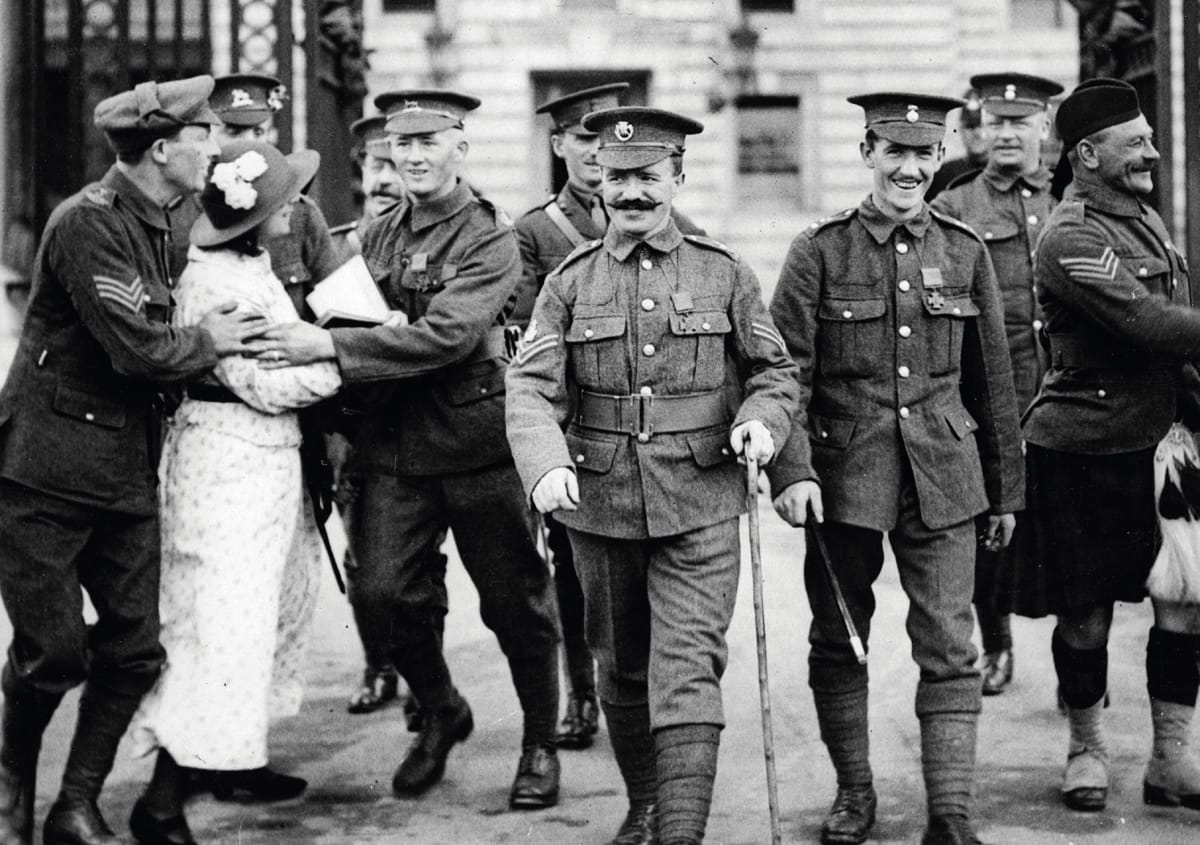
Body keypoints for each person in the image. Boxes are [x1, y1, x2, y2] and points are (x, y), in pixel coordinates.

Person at [246, 90, 563, 810]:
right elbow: (340, 302)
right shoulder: (381, 230)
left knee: (516, 603)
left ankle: (540, 742)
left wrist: (332, 342)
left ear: (461, 149)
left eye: (429, 144)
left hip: (475, 443)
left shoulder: (490, 236)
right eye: (400, 148)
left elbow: (448, 337)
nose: (413, 159)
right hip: (392, 445)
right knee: (381, 594)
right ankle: (441, 706)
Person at [505, 106, 798, 845]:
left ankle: (681, 833)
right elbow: (530, 386)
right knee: (623, 671)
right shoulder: (569, 282)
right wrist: (542, 463)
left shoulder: (723, 270)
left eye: (647, 176)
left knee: (687, 667)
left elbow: (773, 370)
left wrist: (762, 420)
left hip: (700, 496)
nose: (632, 191)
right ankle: (646, 803)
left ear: (677, 177)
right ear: (598, 181)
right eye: (617, 177)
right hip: (598, 504)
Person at [0, 76, 265, 845]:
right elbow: (140, 349)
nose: (215, 147)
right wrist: (213, 339)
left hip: (121, 469)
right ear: (161, 150)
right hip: (45, 471)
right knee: (52, 653)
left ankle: (74, 803)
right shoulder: (88, 223)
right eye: (203, 135)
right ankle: (12, 780)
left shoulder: (168, 216)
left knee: (133, 649)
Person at [768, 92, 1024, 845]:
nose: (908, 167)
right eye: (893, 152)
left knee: (950, 643)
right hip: (845, 479)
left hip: (946, 475)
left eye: (923, 153)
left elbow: (993, 381)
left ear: (940, 156)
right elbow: (786, 371)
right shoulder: (819, 249)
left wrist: (1005, 488)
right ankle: (854, 792)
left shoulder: (965, 249)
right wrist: (792, 472)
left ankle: (951, 813)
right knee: (839, 638)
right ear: (867, 154)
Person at [128, 140, 342, 845]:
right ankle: (160, 802)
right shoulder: (218, 283)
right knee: (215, 630)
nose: (296, 214)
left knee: (266, 615)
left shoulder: (248, 264)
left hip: (261, 463)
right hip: (228, 465)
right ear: (258, 218)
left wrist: (311, 342)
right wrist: (339, 362)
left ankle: (230, 759)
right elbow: (266, 380)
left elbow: (283, 345)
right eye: (287, 205)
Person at [1013, 78, 1200, 815]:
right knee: (1084, 610)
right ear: (1088, 155)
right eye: (1137, 143)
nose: (1152, 152)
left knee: (1184, 603)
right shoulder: (1070, 235)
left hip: (1160, 446)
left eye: (1151, 138)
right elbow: (1149, 325)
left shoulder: (1145, 220)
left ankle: (1172, 758)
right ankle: (1086, 748)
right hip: (1082, 447)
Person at [931, 71, 1064, 697]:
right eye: (997, 121)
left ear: (1045, 128)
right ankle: (998, 644)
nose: (1007, 133)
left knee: (1069, 529)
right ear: (981, 129)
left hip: (1063, 396)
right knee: (992, 528)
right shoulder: (955, 205)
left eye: (1022, 122)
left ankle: (1076, 660)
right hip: (991, 395)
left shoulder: (1066, 202)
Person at [328, 109, 416, 717]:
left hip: (423, 419)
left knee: (419, 567)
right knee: (365, 559)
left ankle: (423, 677)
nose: (385, 179)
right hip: (356, 426)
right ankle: (377, 663)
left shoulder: (430, 241)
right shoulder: (336, 246)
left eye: (396, 165)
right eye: (376, 165)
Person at [925, 89, 987, 201]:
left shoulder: (1009, 172)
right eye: (970, 127)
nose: (977, 134)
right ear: (961, 129)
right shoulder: (942, 175)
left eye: (982, 126)